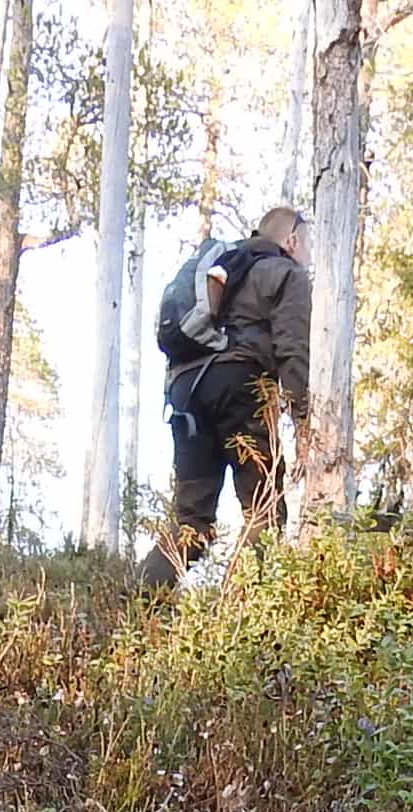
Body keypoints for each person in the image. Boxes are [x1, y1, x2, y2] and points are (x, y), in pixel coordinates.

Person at [146, 207, 310, 589]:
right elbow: (293, 350)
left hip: (186, 391)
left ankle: (136, 606)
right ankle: (241, 618)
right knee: (264, 507)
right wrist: (303, 419)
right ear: (292, 241)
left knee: (191, 521)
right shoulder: (287, 273)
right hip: (241, 386)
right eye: (308, 245)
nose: (309, 254)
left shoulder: (225, 266)